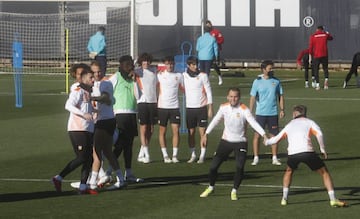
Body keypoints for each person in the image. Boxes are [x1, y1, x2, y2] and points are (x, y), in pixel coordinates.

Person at [264, 105, 346, 207]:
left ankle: (284, 199)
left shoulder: (289, 125)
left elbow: (276, 139)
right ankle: (333, 199)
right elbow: (319, 134)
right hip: (307, 152)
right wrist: (322, 148)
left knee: (289, 171)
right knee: (324, 172)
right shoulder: (309, 122)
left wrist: (267, 142)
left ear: (294, 114)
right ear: (304, 113)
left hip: (293, 154)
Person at [199, 87, 267, 200]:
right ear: (227, 97)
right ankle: (211, 187)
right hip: (226, 142)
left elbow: (253, 123)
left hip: (240, 143)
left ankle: (234, 190)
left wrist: (263, 134)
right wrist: (205, 134)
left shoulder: (244, 109)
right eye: (231, 96)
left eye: (235, 96)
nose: (233, 99)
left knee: (239, 167)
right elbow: (215, 120)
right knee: (213, 167)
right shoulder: (223, 107)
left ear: (239, 98)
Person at [52, 68, 96, 194]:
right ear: (83, 79)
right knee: (82, 157)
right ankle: (58, 178)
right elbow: (68, 105)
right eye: (90, 78)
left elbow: (86, 107)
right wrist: (84, 114)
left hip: (87, 129)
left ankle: (83, 187)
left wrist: (94, 112)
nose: (93, 80)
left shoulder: (88, 91)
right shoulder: (78, 90)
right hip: (77, 129)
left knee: (89, 159)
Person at [88, 61, 126, 190]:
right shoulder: (91, 85)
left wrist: (92, 98)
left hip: (105, 121)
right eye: (94, 72)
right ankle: (120, 178)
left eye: (99, 71)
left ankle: (93, 181)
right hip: (99, 121)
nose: (97, 74)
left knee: (96, 151)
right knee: (108, 152)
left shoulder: (106, 83)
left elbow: (106, 98)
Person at [107, 55, 144, 183]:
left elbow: (138, 96)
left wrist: (134, 81)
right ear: (122, 66)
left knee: (129, 145)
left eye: (131, 66)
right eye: (128, 66)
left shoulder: (132, 80)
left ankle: (129, 172)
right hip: (119, 115)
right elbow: (106, 90)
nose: (130, 69)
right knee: (120, 145)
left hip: (132, 114)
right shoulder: (115, 77)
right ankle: (108, 172)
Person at [249, 60, 284, 166]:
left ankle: (274, 157)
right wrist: (250, 112)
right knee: (257, 136)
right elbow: (253, 97)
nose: (272, 70)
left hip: (273, 113)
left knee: (273, 136)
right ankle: (256, 157)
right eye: (270, 68)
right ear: (264, 69)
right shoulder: (257, 81)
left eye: (272, 68)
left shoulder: (276, 81)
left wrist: (282, 109)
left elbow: (280, 96)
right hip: (260, 113)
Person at [183, 56, 213, 164]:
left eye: (197, 64)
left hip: (201, 108)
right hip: (190, 108)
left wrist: (210, 108)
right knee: (191, 132)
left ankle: (202, 155)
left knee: (203, 132)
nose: (196, 67)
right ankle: (193, 154)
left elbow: (209, 92)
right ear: (188, 65)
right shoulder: (184, 76)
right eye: (193, 65)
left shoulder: (203, 76)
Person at [157, 56, 184, 163]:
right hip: (162, 108)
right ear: (165, 64)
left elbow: (185, 88)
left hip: (174, 108)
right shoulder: (159, 75)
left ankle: (175, 155)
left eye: (171, 64)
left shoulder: (179, 75)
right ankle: (165, 156)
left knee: (176, 131)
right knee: (162, 132)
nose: (170, 66)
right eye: (168, 64)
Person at [135, 53, 158, 164]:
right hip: (142, 102)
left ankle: (142, 151)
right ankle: (147, 154)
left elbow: (165, 66)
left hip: (153, 102)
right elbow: (127, 71)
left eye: (148, 61)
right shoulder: (137, 72)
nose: (146, 63)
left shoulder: (154, 70)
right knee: (143, 128)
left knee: (151, 129)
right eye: (144, 61)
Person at [309, 25, 333, 90]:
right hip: (324, 55)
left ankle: (318, 85)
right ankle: (326, 82)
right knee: (325, 68)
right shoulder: (325, 34)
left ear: (317, 29)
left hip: (316, 55)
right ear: (322, 29)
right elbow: (331, 38)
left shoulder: (313, 36)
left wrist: (310, 56)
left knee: (316, 70)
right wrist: (328, 33)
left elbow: (311, 47)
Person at [205, 20, 224, 85]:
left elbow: (221, 40)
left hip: (215, 50)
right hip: (208, 51)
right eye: (207, 25)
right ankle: (207, 79)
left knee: (215, 65)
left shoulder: (216, 32)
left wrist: (215, 42)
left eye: (209, 25)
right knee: (208, 65)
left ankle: (219, 76)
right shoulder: (206, 34)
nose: (208, 26)